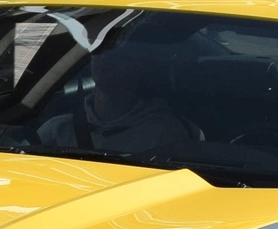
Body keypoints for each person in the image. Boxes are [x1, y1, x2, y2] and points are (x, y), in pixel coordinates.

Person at [36, 43, 197, 158]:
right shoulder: (57, 129)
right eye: (98, 49)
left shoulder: (164, 133)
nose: (105, 58)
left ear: (140, 67)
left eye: (118, 54)